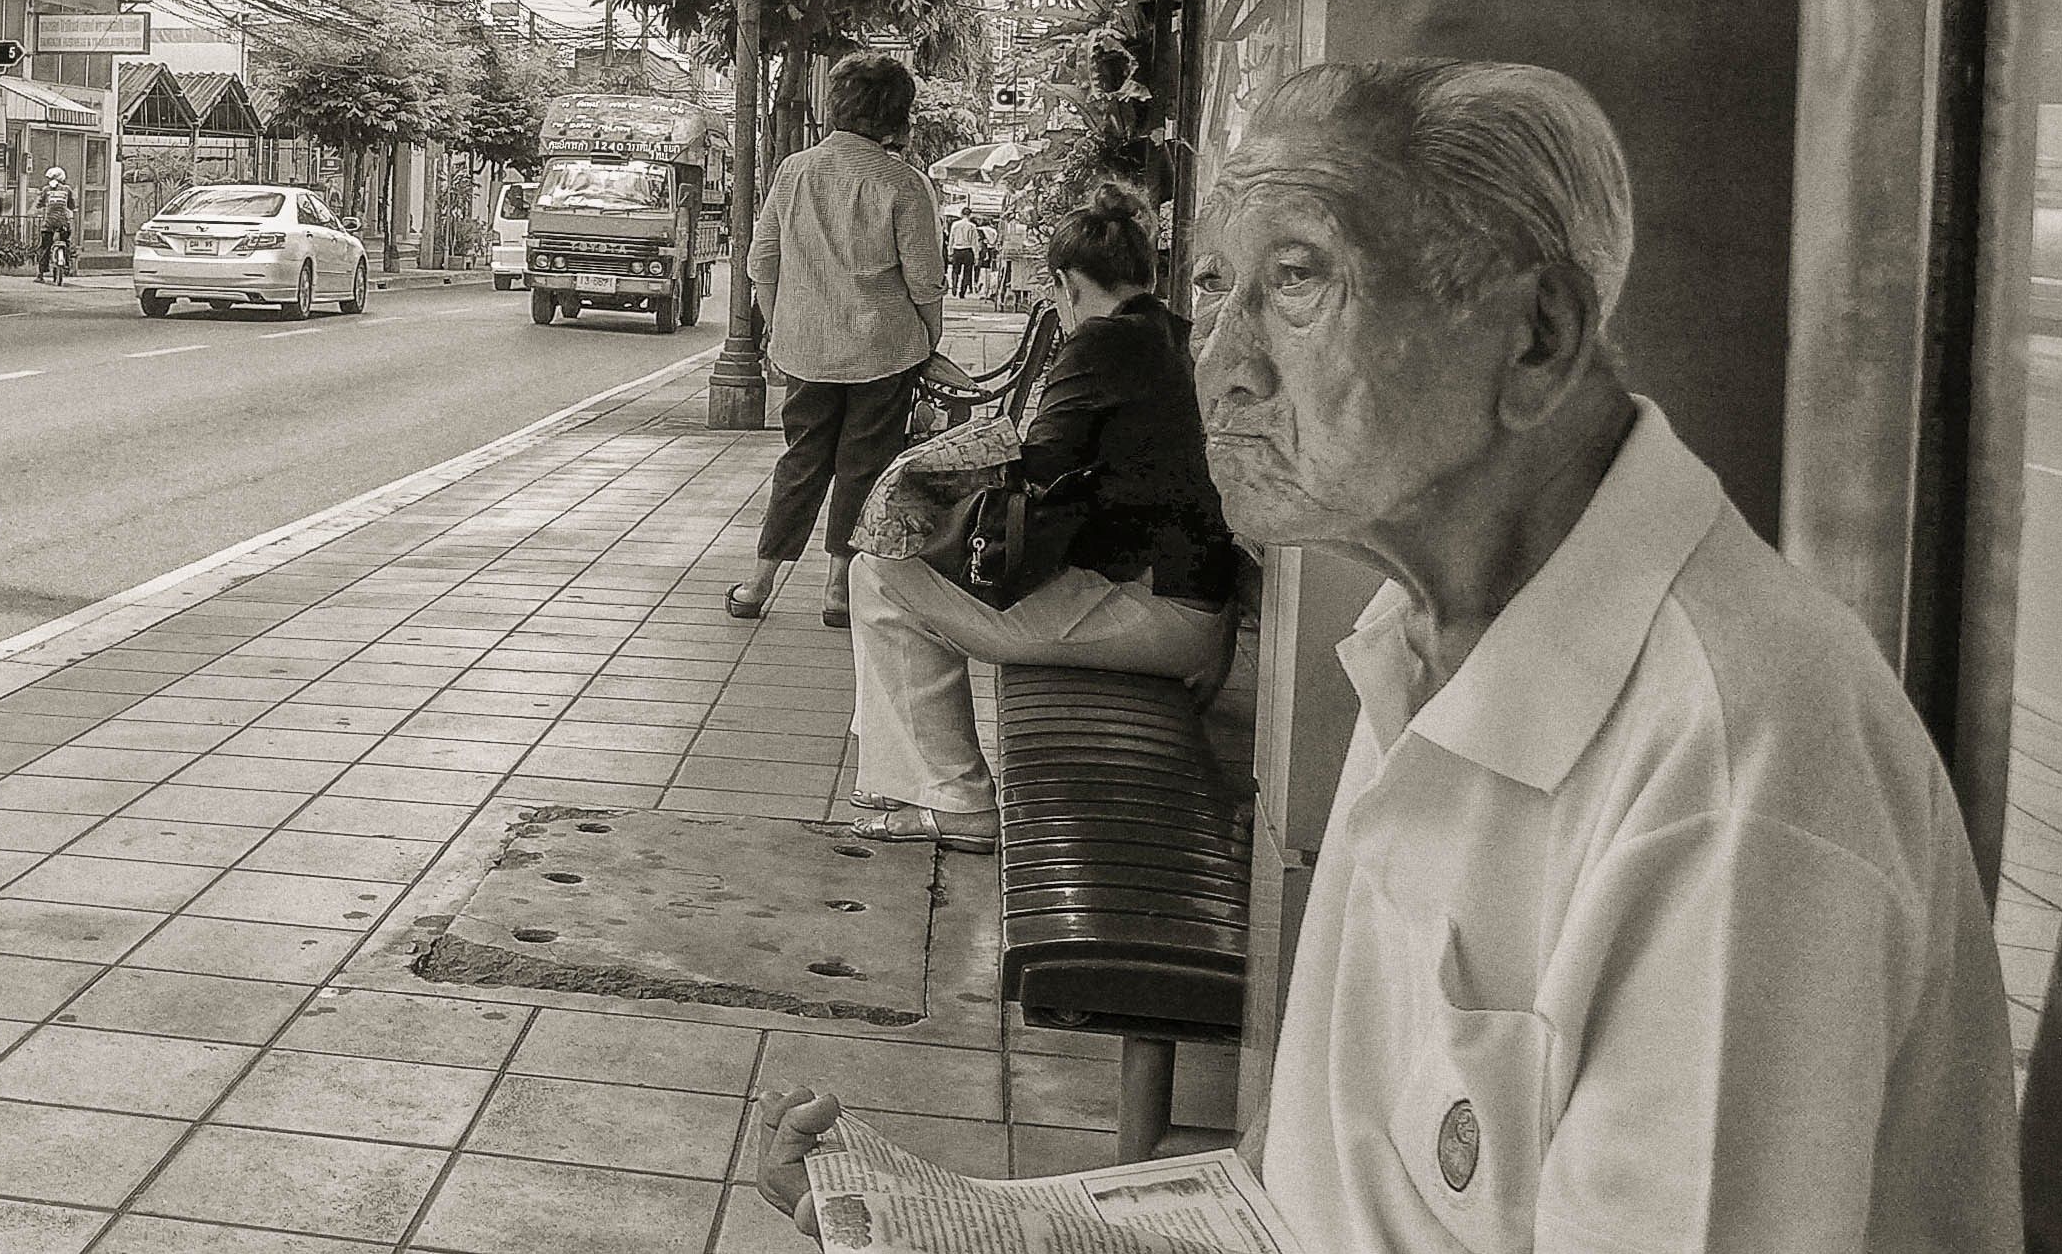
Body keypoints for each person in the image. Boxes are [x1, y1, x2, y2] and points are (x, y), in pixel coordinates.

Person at [758, 60, 2021, 1251]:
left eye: (1298, 280)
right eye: (1212, 288)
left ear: (1535, 336)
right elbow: (1307, 1194)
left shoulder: (1737, 774)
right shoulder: (1418, 647)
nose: (1223, 361)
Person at [842, 183, 1236, 852]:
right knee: (905, 576)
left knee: (881, 576)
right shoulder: (1169, 336)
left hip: (1157, 617)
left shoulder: (1102, 344)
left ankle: (958, 801)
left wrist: (933, 484)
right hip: (1196, 611)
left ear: (1065, 284)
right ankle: (903, 769)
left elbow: (1038, 467)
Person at [731, 52, 948, 628]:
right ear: (897, 117)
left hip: (806, 351)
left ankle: (759, 581)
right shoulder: (905, 183)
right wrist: (930, 339)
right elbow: (924, 278)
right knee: (865, 466)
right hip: (884, 352)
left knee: (801, 460)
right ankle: (837, 589)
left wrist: (782, 329)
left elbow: (763, 261)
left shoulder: (794, 170)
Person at [33, 167, 77, 282]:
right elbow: (72, 205)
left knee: (45, 247)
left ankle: (41, 274)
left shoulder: (46, 189)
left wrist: (41, 206)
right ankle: (67, 266)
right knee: (66, 242)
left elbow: (39, 204)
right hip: (63, 222)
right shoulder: (67, 189)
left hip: (48, 223)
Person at [947, 209, 981, 298]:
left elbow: (951, 239)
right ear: (970, 215)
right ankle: (962, 292)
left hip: (957, 249)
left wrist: (950, 252)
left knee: (955, 270)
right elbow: (975, 242)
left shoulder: (955, 225)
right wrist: (976, 256)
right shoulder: (972, 226)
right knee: (967, 272)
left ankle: (954, 285)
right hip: (968, 250)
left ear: (961, 214)